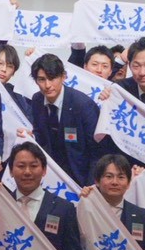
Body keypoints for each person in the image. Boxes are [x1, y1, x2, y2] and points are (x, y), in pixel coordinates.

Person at [28, 52, 100, 186]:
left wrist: (91, 186)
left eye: (52, 78)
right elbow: (41, 137)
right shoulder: (37, 100)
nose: (47, 85)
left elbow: (97, 153)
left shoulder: (83, 105)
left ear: (63, 77)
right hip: (50, 177)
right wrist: (30, 137)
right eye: (42, 79)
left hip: (81, 177)